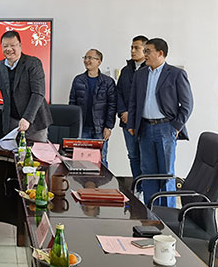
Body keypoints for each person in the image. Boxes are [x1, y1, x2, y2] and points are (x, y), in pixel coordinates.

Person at [128, 38, 193, 208]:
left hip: (166, 128)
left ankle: (167, 213)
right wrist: (132, 125)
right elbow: (133, 102)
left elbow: (187, 104)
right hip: (145, 128)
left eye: (148, 51)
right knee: (148, 173)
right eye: (145, 51)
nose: (145, 54)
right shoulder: (140, 74)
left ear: (160, 53)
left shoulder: (176, 74)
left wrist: (176, 127)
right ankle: (151, 211)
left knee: (166, 173)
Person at [68, 49, 116, 166]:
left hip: (100, 128)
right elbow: (72, 104)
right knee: (81, 160)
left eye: (90, 58)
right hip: (82, 127)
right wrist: (73, 125)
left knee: (101, 160)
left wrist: (108, 126)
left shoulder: (108, 82)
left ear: (99, 61)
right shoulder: (78, 80)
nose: (86, 60)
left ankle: (101, 179)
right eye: (85, 57)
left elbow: (112, 105)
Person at [116, 35, 148, 178]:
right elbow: (118, 93)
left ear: (145, 50)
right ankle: (137, 184)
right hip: (127, 120)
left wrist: (134, 114)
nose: (133, 51)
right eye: (131, 47)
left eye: (137, 48)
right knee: (133, 155)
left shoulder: (150, 69)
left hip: (144, 121)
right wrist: (123, 111)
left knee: (146, 156)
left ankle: (145, 186)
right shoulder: (126, 70)